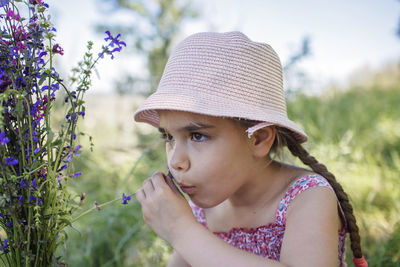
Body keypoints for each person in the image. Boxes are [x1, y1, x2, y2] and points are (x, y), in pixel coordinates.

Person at [133, 31, 368, 267]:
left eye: (197, 135)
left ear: (258, 139)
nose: (175, 161)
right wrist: (184, 228)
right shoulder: (203, 211)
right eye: (168, 137)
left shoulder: (308, 197)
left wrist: (183, 232)